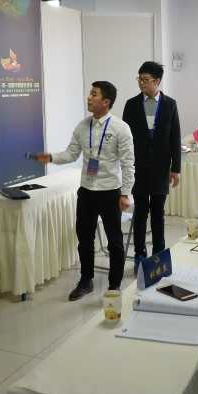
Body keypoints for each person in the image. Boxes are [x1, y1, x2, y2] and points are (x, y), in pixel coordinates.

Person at [35, 81, 134, 301]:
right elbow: (71, 154)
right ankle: (86, 280)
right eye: (90, 93)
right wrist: (51, 157)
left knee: (115, 240)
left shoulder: (120, 128)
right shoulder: (82, 126)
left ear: (106, 102)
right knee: (85, 239)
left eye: (94, 94)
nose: (89, 97)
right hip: (87, 191)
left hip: (110, 191)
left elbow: (128, 164)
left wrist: (125, 193)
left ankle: (114, 285)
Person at [122, 61, 181, 273]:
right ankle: (139, 254)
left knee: (158, 212)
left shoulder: (170, 104)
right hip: (137, 167)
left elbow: (175, 137)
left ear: (157, 81)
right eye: (139, 79)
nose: (141, 83)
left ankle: (158, 254)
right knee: (140, 212)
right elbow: (125, 139)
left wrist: (176, 168)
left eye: (145, 80)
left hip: (160, 168)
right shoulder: (131, 104)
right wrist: (125, 166)